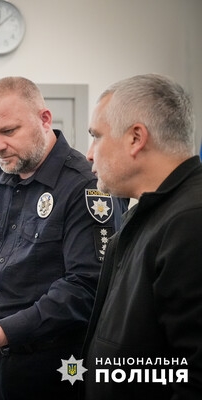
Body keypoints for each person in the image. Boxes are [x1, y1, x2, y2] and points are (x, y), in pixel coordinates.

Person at [0, 76, 126, 400]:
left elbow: (86, 287)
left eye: (8, 131)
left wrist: (3, 331)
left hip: (55, 367)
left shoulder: (86, 186)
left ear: (44, 119)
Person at [82, 74, 202, 399]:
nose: (89, 154)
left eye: (96, 136)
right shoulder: (151, 214)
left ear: (136, 138)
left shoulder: (190, 221)